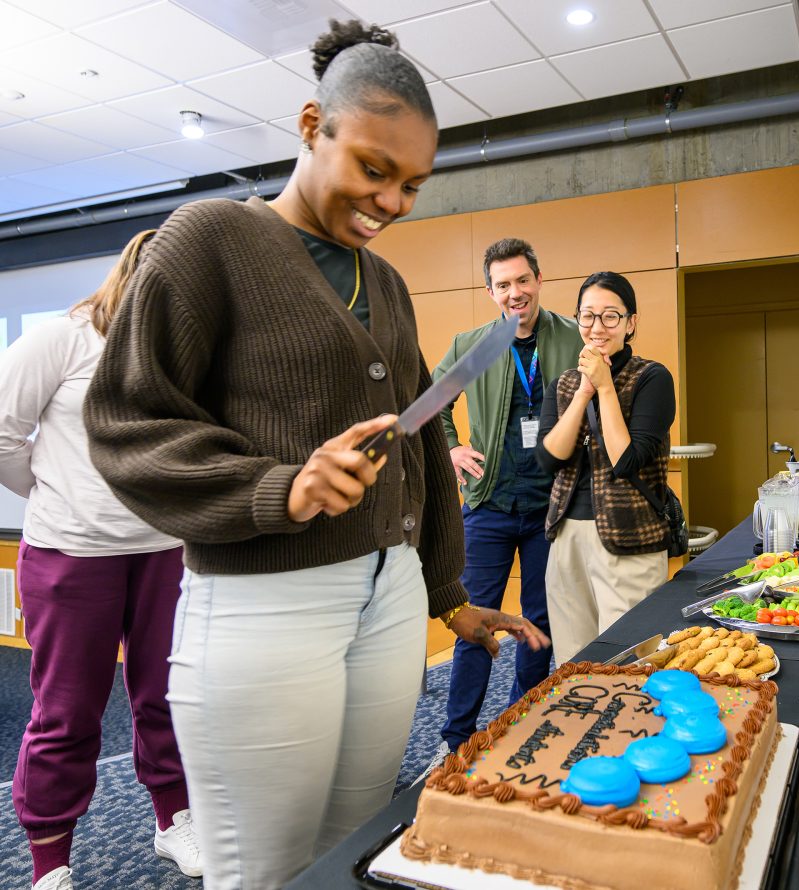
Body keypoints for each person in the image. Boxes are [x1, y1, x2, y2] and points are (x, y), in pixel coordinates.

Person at [81, 20, 547, 890]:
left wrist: (450, 598)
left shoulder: (390, 284)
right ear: (309, 127)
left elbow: (422, 445)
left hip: (392, 598)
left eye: (413, 183)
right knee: (263, 869)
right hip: (265, 603)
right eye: (375, 169)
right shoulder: (208, 240)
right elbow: (126, 422)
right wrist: (278, 487)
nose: (395, 202)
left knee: (354, 845)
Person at [0, 230, 200, 890]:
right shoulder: (59, 339)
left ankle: (174, 822)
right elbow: (1, 432)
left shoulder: (179, 353)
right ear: (134, 277)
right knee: (67, 714)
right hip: (71, 556)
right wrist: (51, 491)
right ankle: (50, 863)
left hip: (162, 552)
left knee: (168, 699)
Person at [434, 238, 582, 753]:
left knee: (539, 623)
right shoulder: (473, 346)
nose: (514, 292)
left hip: (551, 506)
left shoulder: (572, 336)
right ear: (491, 291)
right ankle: (457, 738)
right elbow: (433, 405)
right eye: (503, 285)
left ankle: (523, 721)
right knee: (476, 623)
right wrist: (451, 450)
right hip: (489, 505)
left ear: (538, 279)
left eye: (522, 280)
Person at [536, 271, 676, 665]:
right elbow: (549, 459)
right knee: (573, 661)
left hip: (629, 541)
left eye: (610, 316)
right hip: (566, 538)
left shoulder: (653, 377)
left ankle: (638, 727)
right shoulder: (563, 385)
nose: (598, 327)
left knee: (628, 660)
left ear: (631, 323)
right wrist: (584, 391)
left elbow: (627, 460)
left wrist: (606, 386)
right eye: (588, 316)